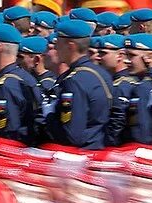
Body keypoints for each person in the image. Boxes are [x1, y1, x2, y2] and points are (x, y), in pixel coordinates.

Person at [46, 19, 112, 149]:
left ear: (70, 45)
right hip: (99, 148)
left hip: (81, 155)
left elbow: (72, 135)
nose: (56, 48)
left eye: (58, 43)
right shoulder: (101, 73)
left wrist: (49, 115)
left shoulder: (74, 81)